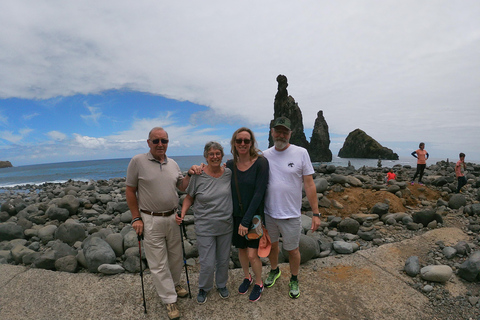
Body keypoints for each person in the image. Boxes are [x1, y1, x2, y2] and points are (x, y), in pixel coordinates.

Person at [126, 127, 197, 320]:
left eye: (163, 141)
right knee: (157, 262)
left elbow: (182, 186)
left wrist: (189, 174)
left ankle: (174, 284)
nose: (160, 144)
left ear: (168, 143)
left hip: (173, 217)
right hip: (150, 219)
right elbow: (130, 191)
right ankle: (169, 300)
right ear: (148, 142)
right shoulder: (137, 161)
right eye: (156, 141)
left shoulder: (172, 163)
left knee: (175, 257)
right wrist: (136, 218)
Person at [263, 116, 321, 299]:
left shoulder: (301, 152)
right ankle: (274, 270)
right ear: (272, 132)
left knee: (293, 250)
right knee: (272, 247)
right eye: (277, 131)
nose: (281, 135)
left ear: (290, 133)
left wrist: (316, 213)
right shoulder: (264, 156)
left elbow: (310, 185)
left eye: (284, 131)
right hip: (269, 213)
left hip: (291, 214)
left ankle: (294, 278)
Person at [176, 141, 233, 305]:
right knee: (207, 263)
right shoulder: (198, 175)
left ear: (222, 155)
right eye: (211, 154)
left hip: (226, 225)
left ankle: (221, 285)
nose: (214, 156)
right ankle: (204, 287)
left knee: (223, 261)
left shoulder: (228, 173)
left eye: (217, 153)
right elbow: (189, 197)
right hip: (205, 226)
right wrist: (183, 213)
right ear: (206, 157)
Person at [226, 127, 269, 302]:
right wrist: (197, 169)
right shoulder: (229, 165)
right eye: (239, 141)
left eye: (246, 140)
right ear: (234, 143)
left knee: (253, 254)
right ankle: (247, 277)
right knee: (241, 251)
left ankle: (259, 283)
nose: (242, 144)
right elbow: (213, 175)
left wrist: (246, 220)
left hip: (254, 217)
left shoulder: (261, 163)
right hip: (236, 216)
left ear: (251, 143)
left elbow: (259, 193)